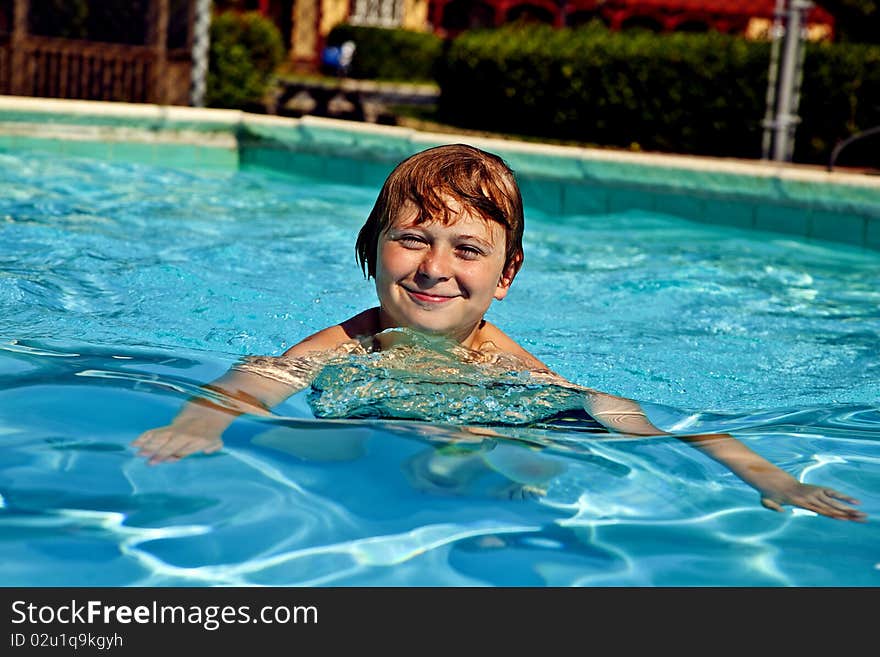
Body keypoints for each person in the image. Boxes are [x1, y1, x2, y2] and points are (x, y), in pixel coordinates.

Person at [133, 144, 866, 521]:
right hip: (366, 449)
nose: (434, 268)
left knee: (531, 461)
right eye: (412, 238)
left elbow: (648, 426)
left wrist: (770, 476)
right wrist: (203, 422)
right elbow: (255, 379)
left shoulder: (505, 363)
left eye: (468, 249)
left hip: (474, 456)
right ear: (373, 245)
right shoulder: (344, 344)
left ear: (506, 274)